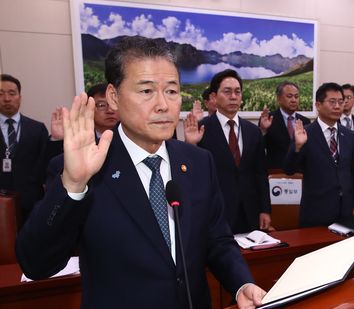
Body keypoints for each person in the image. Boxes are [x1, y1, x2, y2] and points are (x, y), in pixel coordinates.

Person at [16, 36, 265, 309]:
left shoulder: (198, 162)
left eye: (171, 91)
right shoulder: (84, 169)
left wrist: (242, 284)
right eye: (146, 91)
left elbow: (218, 241)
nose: (163, 104)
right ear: (114, 96)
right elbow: (37, 264)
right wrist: (73, 185)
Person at [183, 69, 271, 234]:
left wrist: (265, 209)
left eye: (237, 92)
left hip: (249, 212)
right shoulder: (202, 128)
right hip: (215, 211)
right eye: (227, 91)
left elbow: (260, 174)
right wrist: (190, 145)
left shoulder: (253, 131)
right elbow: (192, 175)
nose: (233, 96)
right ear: (214, 97)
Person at [283, 82, 354, 228]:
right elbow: (289, 169)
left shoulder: (349, 135)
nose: (338, 106)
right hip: (316, 211)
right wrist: (298, 146)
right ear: (318, 105)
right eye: (332, 102)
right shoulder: (305, 133)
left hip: (345, 212)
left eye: (341, 102)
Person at [0, 74, 49, 223]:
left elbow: (45, 166)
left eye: (12, 93)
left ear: (20, 97)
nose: (7, 99)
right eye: (0, 94)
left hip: (31, 203)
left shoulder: (37, 129)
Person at [259, 81, 310, 170]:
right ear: (279, 99)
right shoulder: (268, 119)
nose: (294, 100)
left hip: (299, 172)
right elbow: (259, 148)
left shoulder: (305, 121)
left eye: (296, 96)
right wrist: (263, 130)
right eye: (289, 96)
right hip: (275, 173)